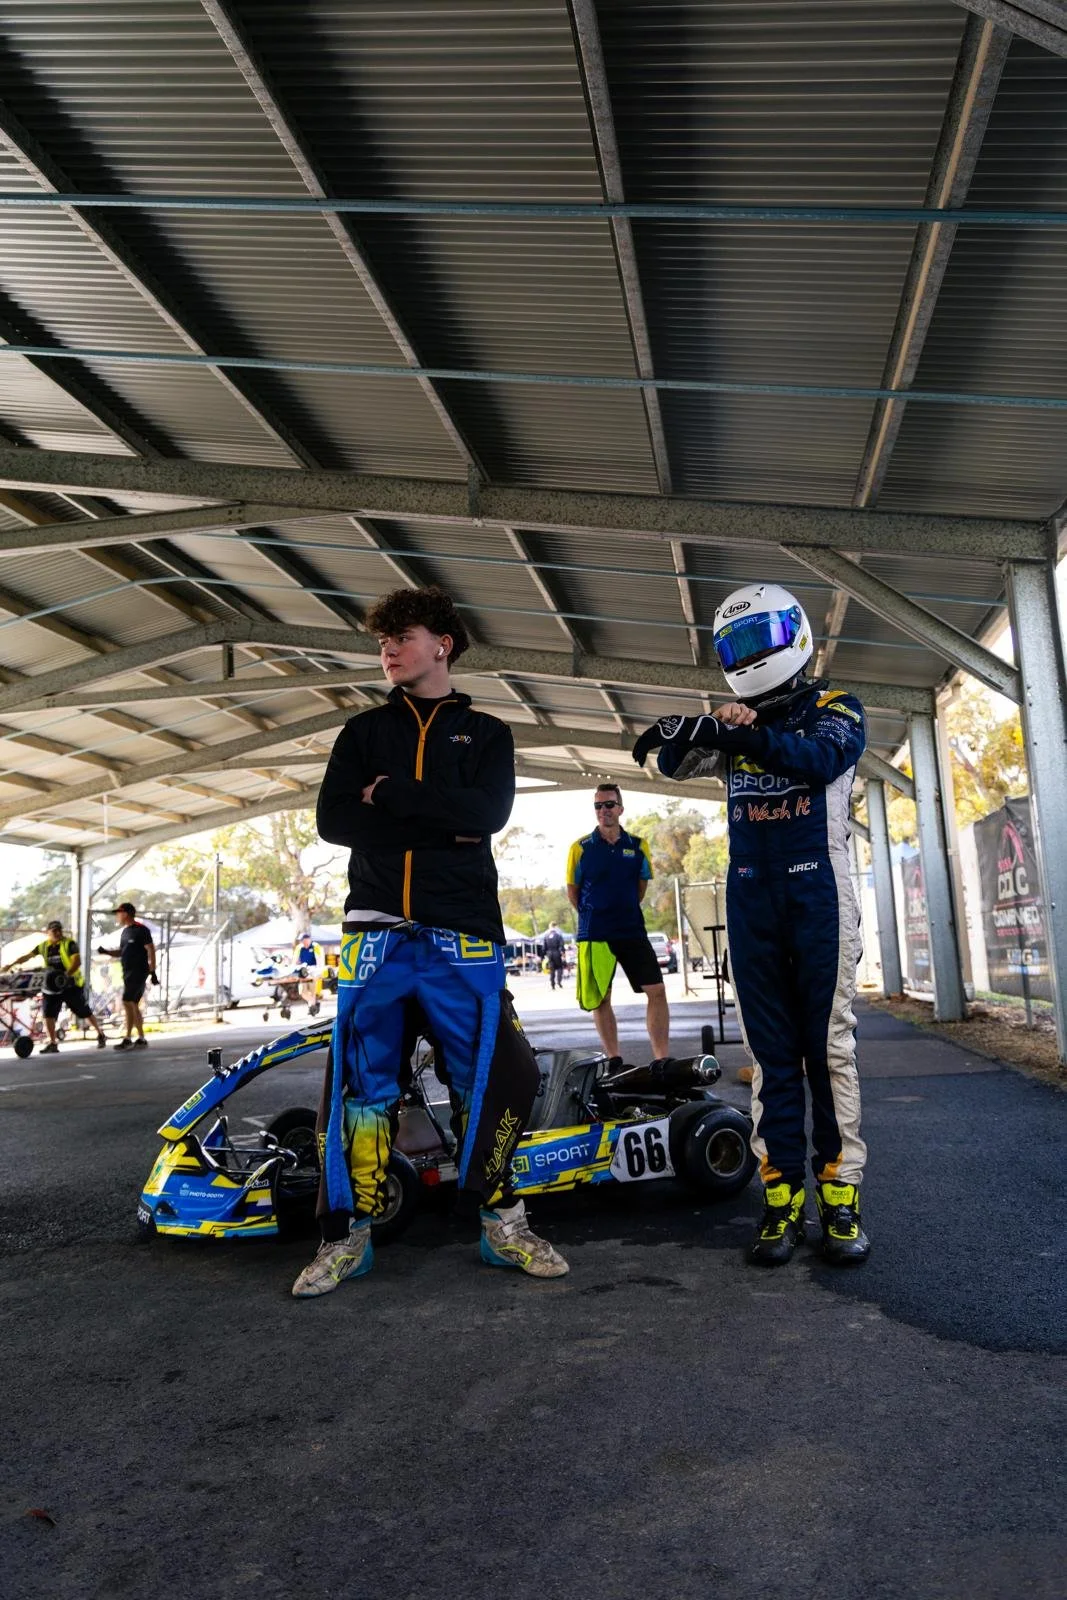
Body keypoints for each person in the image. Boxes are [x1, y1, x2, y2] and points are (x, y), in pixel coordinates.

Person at [293, 585, 567, 1298]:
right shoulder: (361, 733)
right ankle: (344, 1238)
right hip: (373, 934)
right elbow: (332, 822)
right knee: (359, 1089)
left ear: (442, 644)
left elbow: (490, 813)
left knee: (489, 1079)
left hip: (463, 935)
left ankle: (503, 1224)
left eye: (402, 637)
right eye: (382, 641)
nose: (387, 650)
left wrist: (391, 796)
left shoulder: (487, 734)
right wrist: (443, 823)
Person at [632, 582, 870, 1267]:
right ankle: (779, 1198)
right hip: (749, 898)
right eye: (733, 645)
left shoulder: (835, 706)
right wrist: (702, 726)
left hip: (818, 895)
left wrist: (740, 732)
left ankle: (840, 1195)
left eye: (755, 640)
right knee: (771, 1058)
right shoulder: (736, 721)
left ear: (793, 636)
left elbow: (820, 759)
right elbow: (675, 764)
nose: (746, 655)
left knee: (826, 1051)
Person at [566, 783, 669, 1069]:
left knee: (657, 990)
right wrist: (594, 913)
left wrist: (622, 909)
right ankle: (614, 1059)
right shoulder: (580, 848)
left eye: (609, 805)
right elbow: (573, 891)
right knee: (601, 998)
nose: (603, 811)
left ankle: (661, 1059)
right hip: (595, 932)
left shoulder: (637, 845)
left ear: (620, 808)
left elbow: (640, 887)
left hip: (631, 929)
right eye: (598, 806)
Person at [3, 918, 108, 1051]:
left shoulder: (69, 944)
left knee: (83, 1011)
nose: (58, 933)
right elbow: (28, 956)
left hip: (70, 984)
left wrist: (66, 975)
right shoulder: (43, 946)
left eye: (59, 930)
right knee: (48, 1014)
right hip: (51, 986)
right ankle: (52, 1043)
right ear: (48, 932)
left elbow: (77, 961)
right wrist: (11, 964)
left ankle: (100, 1034)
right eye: (54, 931)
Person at [97, 903, 157, 1051]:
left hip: (138, 972)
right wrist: (107, 952)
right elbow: (123, 952)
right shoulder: (125, 932)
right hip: (128, 972)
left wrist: (152, 970)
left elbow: (151, 949)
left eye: (119, 912)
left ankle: (128, 1037)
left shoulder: (141, 930)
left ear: (127, 913)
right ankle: (141, 1038)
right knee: (133, 1004)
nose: (117, 915)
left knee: (127, 1001)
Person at [293, 931, 324, 1015]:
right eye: (301, 940)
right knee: (302, 992)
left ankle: (311, 1008)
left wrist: (319, 973)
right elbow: (295, 960)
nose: (302, 942)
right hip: (303, 972)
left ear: (308, 939)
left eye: (303, 940)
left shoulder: (315, 946)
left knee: (312, 991)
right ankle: (313, 1003)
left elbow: (320, 960)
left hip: (313, 971)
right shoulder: (299, 947)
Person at [542, 922, 566, 990]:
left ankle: (552, 985)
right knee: (559, 968)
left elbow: (544, 947)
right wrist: (563, 953)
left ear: (549, 927)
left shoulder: (546, 936)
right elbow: (562, 946)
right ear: (555, 927)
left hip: (549, 954)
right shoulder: (558, 935)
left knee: (552, 969)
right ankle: (559, 981)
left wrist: (543, 956)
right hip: (557, 953)